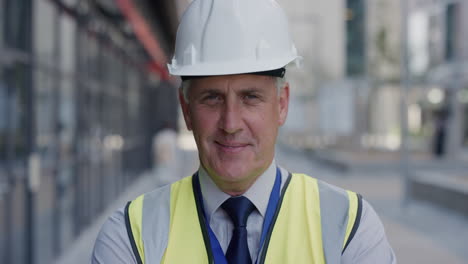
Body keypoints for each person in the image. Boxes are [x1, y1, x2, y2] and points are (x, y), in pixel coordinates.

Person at [91, 0, 396, 263]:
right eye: (212, 98)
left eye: (250, 97)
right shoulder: (132, 236)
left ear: (282, 104)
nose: (231, 123)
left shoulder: (348, 227)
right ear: (186, 109)